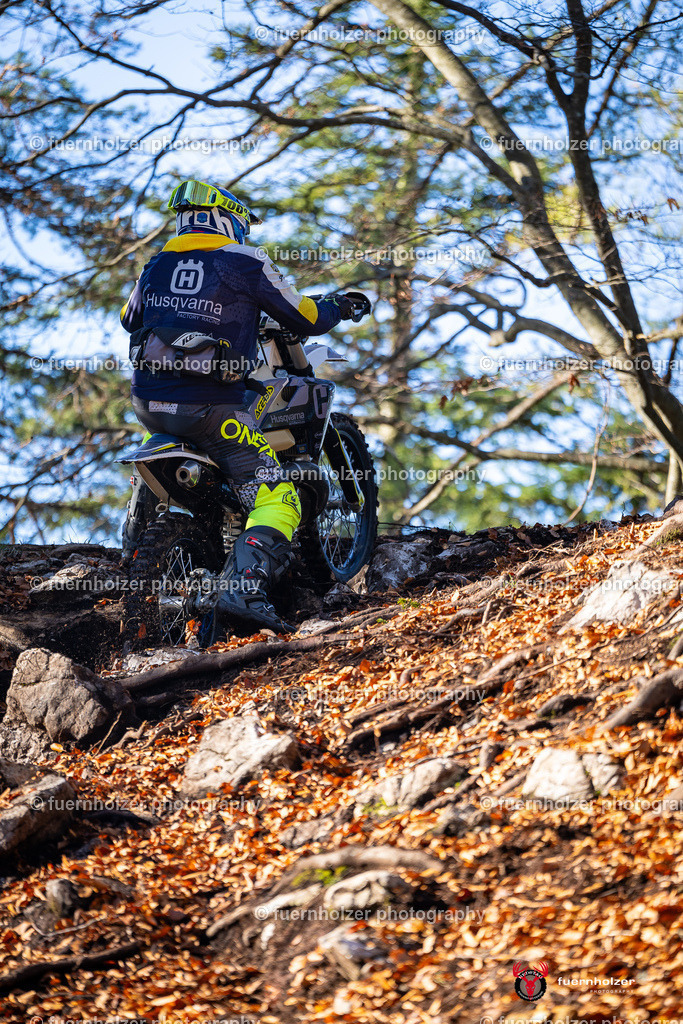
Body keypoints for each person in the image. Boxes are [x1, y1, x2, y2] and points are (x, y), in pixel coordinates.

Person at [120, 178, 357, 634]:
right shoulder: (246, 262)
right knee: (279, 496)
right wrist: (338, 306)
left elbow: (131, 319)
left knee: (170, 438)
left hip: (148, 403)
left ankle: (135, 538)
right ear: (227, 219)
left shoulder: (155, 264)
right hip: (214, 410)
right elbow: (306, 317)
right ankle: (244, 587)